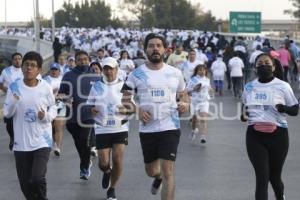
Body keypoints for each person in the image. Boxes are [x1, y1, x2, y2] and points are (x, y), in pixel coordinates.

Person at [121, 33, 189, 200]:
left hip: (170, 127)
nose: (155, 48)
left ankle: (163, 180)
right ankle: (156, 178)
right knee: (151, 170)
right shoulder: (136, 74)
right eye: (151, 46)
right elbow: (125, 99)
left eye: (159, 45)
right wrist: (137, 111)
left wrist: (185, 104)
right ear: (145, 50)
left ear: (165, 50)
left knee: (168, 171)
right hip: (148, 129)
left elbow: (184, 95)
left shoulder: (175, 73)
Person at [241, 53, 299, 200]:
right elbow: (244, 111)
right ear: (255, 67)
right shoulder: (249, 87)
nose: (263, 66)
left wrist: (284, 108)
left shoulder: (283, 86)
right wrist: (244, 116)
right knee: (262, 178)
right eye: (259, 64)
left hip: (278, 136)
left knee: (274, 177)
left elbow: (295, 110)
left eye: (266, 63)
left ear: (273, 67)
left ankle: (280, 196)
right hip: (255, 136)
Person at [3, 51, 57, 200]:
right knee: (25, 185)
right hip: (21, 143)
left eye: (33, 65)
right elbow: (7, 113)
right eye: (26, 64)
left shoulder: (45, 87)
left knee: (37, 178)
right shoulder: (15, 86)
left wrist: (46, 116)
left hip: (42, 141)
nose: (29, 68)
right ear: (22, 67)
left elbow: (53, 108)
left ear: (39, 70)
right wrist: (14, 101)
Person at [87, 57, 130, 200]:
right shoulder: (96, 86)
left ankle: (112, 188)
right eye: (106, 68)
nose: (108, 71)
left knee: (117, 159)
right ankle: (106, 171)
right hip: (102, 128)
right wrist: (92, 110)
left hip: (120, 127)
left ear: (117, 69)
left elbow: (132, 108)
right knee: (103, 162)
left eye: (111, 68)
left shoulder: (125, 86)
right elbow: (90, 105)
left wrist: (126, 110)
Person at [58, 50, 100, 180]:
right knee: (79, 143)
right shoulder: (68, 76)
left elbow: (103, 96)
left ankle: (84, 167)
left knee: (85, 142)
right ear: (75, 61)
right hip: (72, 117)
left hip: (89, 116)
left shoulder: (96, 77)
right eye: (80, 59)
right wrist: (66, 99)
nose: (83, 61)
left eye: (85, 59)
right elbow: (61, 94)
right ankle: (86, 161)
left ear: (89, 59)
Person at [0, 52, 23, 150]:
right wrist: (7, 90)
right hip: (10, 101)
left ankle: (20, 140)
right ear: (12, 60)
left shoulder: (26, 70)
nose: (17, 60)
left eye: (19, 59)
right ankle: (12, 137)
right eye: (15, 59)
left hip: (23, 101)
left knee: (22, 121)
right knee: (9, 123)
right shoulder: (6, 71)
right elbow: (0, 83)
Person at [187, 64, 212, 142]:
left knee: (203, 119)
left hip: (204, 102)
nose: (202, 71)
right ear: (197, 71)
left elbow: (209, 88)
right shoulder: (193, 79)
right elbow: (187, 90)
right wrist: (194, 89)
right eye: (200, 70)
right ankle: (193, 130)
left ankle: (203, 136)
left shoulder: (207, 79)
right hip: (195, 101)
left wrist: (210, 89)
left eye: (203, 70)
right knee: (195, 119)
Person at [44, 63, 65, 156]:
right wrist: (52, 93)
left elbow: (68, 92)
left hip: (60, 105)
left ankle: (57, 147)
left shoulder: (63, 80)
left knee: (59, 126)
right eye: (52, 69)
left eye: (56, 69)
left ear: (59, 71)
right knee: (51, 127)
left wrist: (62, 96)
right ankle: (53, 141)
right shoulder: (45, 80)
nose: (54, 71)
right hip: (49, 106)